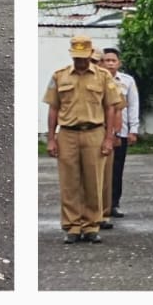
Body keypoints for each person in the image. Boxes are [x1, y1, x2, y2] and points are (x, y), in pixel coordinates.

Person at [44, 35, 123, 243]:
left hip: (94, 132)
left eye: (83, 57)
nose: (80, 61)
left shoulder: (103, 77)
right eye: (76, 57)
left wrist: (109, 138)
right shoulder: (60, 76)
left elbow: (111, 107)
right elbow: (53, 108)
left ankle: (91, 225)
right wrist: (51, 138)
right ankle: (72, 226)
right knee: (69, 182)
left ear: (90, 54)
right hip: (68, 132)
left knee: (93, 181)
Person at [99, 47, 140, 218]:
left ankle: (114, 203)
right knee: (99, 170)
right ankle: (99, 205)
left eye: (113, 60)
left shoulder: (127, 81)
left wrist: (133, 129)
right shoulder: (96, 80)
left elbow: (133, 105)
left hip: (120, 132)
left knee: (116, 170)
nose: (110, 63)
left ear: (119, 63)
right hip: (99, 131)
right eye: (106, 60)